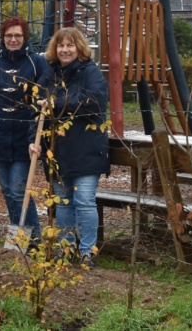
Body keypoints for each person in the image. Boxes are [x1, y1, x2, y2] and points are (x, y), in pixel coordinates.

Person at [28, 27, 109, 266]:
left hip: (87, 149)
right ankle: (66, 248)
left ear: (79, 48)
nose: (65, 50)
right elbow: (37, 111)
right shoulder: (49, 75)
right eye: (61, 45)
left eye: (70, 45)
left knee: (84, 201)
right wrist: (34, 141)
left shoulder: (90, 72)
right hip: (58, 151)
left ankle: (87, 251)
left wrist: (57, 102)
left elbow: (95, 102)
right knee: (62, 202)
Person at [0, 17, 51, 245]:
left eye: (17, 35)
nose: (13, 39)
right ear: (3, 38)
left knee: (19, 191)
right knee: (8, 191)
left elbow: (45, 96)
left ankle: (33, 239)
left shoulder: (37, 63)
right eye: (9, 36)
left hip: (24, 137)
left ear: (24, 37)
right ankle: (19, 238)